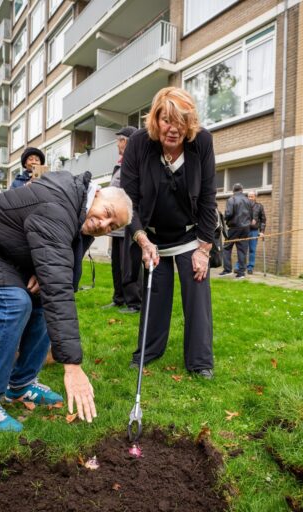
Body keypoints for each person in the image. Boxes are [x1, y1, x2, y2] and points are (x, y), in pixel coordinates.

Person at [0, 170, 132, 432]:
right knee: (15, 305)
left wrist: (44, 271)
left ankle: (20, 384)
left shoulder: (80, 214)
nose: (104, 224)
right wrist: (72, 366)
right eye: (107, 212)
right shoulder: (59, 205)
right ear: (96, 194)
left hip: (0, 250)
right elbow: (59, 289)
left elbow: (65, 277)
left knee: (40, 299)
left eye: (112, 226)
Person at [121, 86, 217, 379]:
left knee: (197, 293)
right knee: (155, 294)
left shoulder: (202, 142)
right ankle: (148, 352)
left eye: (181, 122)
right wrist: (141, 238)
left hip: (190, 236)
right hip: (152, 236)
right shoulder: (139, 143)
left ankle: (200, 361)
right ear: (156, 119)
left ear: (189, 124)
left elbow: (207, 198)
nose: (173, 129)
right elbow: (128, 199)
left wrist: (203, 249)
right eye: (166, 121)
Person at [103, 125, 142, 314]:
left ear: (126, 142)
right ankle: (118, 298)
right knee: (116, 263)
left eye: (119, 140)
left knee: (129, 264)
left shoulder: (135, 162)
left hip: (129, 223)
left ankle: (134, 302)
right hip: (116, 225)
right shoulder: (120, 163)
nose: (117, 144)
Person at [220, 183, 251, 279]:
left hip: (234, 227)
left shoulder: (231, 199)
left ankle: (227, 270)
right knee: (242, 250)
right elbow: (251, 214)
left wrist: (224, 218)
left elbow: (229, 213)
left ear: (233, 190)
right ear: (242, 190)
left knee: (226, 248)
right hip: (246, 228)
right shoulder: (248, 200)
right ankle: (241, 273)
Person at [244, 190, 266, 274]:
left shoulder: (259, 206)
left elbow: (263, 220)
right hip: (244, 231)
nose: (250, 198)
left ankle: (250, 267)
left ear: (255, 197)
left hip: (254, 231)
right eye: (248, 196)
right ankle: (239, 266)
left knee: (252, 250)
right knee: (242, 249)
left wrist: (262, 231)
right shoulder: (244, 206)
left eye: (251, 196)